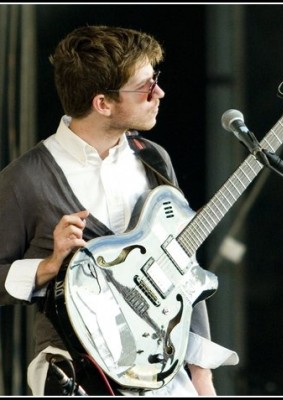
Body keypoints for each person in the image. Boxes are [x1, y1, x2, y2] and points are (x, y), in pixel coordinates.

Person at [0, 25, 238, 396]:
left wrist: (201, 374)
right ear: (103, 103)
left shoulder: (154, 159)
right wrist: (48, 267)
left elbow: (182, 266)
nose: (159, 92)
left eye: (155, 80)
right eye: (146, 86)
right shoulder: (25, 179)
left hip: (162, 371)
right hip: (76, 374)